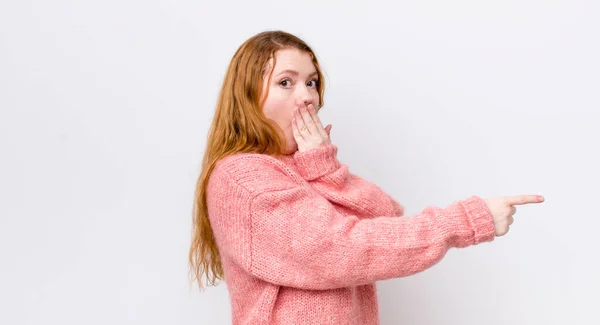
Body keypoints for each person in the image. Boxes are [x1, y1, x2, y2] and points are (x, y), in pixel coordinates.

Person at [188, 30, 545, 325]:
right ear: (248, 95)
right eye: (286, 82)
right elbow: (339, 250)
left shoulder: (303, 167)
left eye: (311, 82)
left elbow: (384, 220)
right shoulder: (242, 177)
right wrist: (465, 220)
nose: (307, 97)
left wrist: (324, 168)